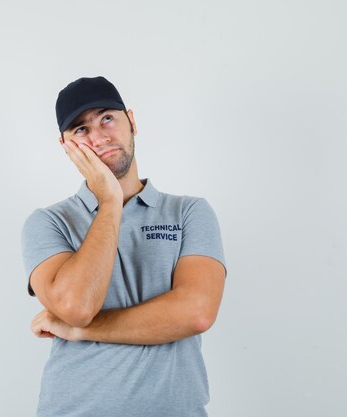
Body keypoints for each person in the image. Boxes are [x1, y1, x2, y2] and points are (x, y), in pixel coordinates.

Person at [21, 75, 227, 417]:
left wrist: (78, 331)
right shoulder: (48, 222)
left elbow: (197, 312)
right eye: (81, 130)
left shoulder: (190, 211)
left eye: (106, 118)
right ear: (66, 146)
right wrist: (110, 201)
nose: (99, 137)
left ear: (131, 121)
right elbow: (77, 306)